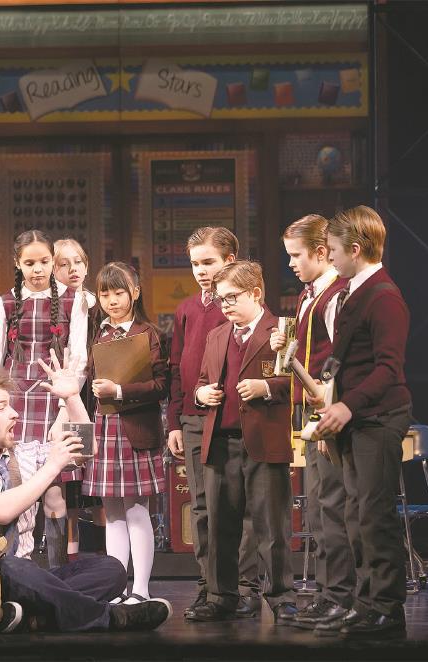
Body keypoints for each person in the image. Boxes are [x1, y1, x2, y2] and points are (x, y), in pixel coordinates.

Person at [0, 353, 173, 632]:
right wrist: (51, 467)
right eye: (2, 407)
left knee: (111, 570)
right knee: (12, 567)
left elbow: (85, 450)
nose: (14, 413)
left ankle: (25, 616)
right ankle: (110, 618)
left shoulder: (22, 454)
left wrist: (72, 398)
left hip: (21, 581)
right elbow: (0, 511)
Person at [312, 206, 412, 638]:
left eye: (333, 249)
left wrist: (347, 406)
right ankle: (366, 601)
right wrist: (327, 395)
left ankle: (387, 607)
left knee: (374, 514)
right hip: (357, 417)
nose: (330, 257)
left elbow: (388, 369)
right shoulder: (354, 291)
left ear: (355, 249)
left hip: (378, 417)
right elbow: (344, 357)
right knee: (355, 514)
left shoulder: (384, 296)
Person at [187, 261, 297, 623]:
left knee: (271, 527)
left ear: (255, 294)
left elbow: (297, 381)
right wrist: (202, 394)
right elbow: (201, 380)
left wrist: (267, 387)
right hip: (221, 443)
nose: (226, 306)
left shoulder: (279, 331)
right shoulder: (218, 335)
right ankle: (221, 596)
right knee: (220, 526)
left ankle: (281, 597)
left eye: (232, 297)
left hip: (263, 442)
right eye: (221, 299)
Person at [165, 227, 262, 617]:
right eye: (195, 264)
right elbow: (176, 366)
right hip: (194, 418)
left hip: (235, 418)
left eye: (208, 262)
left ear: (230, 260)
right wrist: (174, 421)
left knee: (243, 506)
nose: (201, 271)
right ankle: (210, 586)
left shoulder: (241, 305)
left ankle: (246, 586)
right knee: (203, 506)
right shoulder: (187, 309)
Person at [0, 230, 89, 569]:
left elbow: (78, 361)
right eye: (30, 263)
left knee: (55, 492)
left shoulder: (74, 301)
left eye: (44, 262)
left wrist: (63, 412)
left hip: (56, 400)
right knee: (13, 485)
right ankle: (14, 570)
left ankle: (59, 575)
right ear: (18, 264)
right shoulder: (5, 303)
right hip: (13, 402)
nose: (38, 269)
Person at [269, 215, 354, 630]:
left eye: (295, 255)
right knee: (318, 509)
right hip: (308, 408)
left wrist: (326, 418)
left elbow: (339, 362)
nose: (290, 263)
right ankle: (326, 593)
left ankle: (340, 595)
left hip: (327, 410)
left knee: (331, 506)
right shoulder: (309, 296)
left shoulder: (336, 295)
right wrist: (284, 347)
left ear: (321, 253)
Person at [83, 262, 168, 604]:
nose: (112, 300)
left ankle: (141, 589)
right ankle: (117, 587)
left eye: (119, 293)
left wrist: (118, 391)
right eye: (105, 294)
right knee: (113, 513)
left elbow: (161, 385)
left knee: (136, 510)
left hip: (136, 429)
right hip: (103, 427)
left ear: (135, 292)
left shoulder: (149, 334)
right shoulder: (97, 334)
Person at [53, 237, 99, 563]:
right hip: (63, 399)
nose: (73, 269)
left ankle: (101, 562)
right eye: (64, 264)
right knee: (69, 482)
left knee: (94, 487)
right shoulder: (50, 306)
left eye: (78, 262)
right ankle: (68, 562)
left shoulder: (96, 303)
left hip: (91, 397)